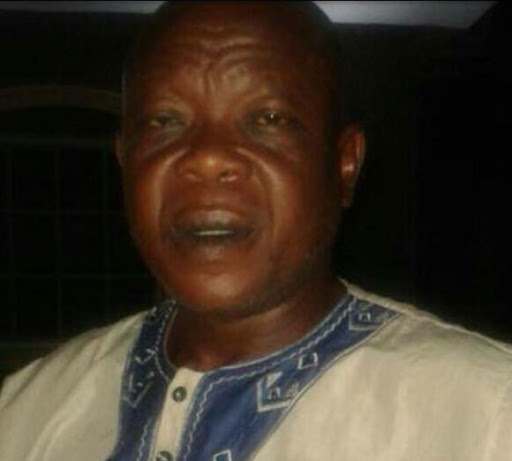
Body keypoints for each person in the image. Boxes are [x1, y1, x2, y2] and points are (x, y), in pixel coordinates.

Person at [1, 2, 511, 460]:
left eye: (268, 118)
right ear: (125, 159)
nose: (206, 158)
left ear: (344, 166)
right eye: (163, 121)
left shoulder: (485, 415)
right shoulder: (25, 411)